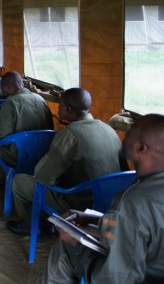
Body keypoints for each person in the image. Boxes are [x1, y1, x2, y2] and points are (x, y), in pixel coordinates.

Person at [40, 114, 164, 284]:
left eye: (130, 133)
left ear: (141, 148)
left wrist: (77, 247)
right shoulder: (146, 192)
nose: (124, 136)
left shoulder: (133, 202)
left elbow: (117, 279)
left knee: (65, 246)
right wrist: (95, 218)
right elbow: (146, 228)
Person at [7, 88, 122, 236]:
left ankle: (32, 225)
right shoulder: (109, 129)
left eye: (60, 106)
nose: (59, 110)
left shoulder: (70, 134)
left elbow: (43, 176)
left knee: (19, 182)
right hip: (111, 203)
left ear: (68, 109)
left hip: (79, 203)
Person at [0, 71, 53, 183]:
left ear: (9, 87)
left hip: (18, 155)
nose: (2, 92)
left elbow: (2, 136)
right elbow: (50, 128)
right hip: (42, 153)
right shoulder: (40, 99)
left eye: (2, 88)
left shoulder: (10, 102)